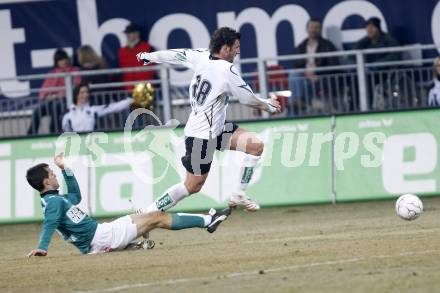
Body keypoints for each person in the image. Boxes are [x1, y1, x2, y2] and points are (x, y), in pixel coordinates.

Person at [136, 27, 281, 214]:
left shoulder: (201, 56)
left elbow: (175, 55)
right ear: (226, 48)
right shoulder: (226, 69)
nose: (238, 51)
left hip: (217, 129)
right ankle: (148, 213)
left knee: (255, 145)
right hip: (201, 137)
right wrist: (269, 106)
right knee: (192, 186)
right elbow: (246, 98)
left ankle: (239, 193)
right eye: (236, 47)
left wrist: (149, 56)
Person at [26, 153, 231, 257]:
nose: (54, 175)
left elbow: (76, 196)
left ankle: (122, 247)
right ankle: (208, 221)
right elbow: (49, 225)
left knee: (152, 213)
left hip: (100, 234)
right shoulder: (53, 204)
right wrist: (42, 248)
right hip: (100, 237)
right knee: (157, 217)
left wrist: (65, 169)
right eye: (52, 173)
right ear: (45, 181)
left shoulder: (55, 200)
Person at [289, 18, 340, 114]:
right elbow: (296, 64)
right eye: (312, 27)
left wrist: (318, 72)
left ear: (320, 30)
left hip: (320, 79)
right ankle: (299, 103)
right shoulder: (301, 46)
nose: (314, 30)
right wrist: (306, 72)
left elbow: (334, 65)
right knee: (294, 74)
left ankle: (298, 104)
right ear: (307, 29)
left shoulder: (328, 45)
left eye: (317, 27)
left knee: (299, 88)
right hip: (304, 77)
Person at [28, 49, 81, 134]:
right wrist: (46, 96)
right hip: (51, 101)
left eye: (64, 59)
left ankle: (53, 132)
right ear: (56, 62)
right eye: (60, 60)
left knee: (55, 107)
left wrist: (59, 95)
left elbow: (76, 87)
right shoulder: (52, 73)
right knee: (38, 110)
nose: (63, 61)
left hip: (66, 101)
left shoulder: (75, 71)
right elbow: (44, 90)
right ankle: (30, 135)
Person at [62, 82, 133, 132]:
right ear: (76, 94)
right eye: (82, 93)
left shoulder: (93, 110)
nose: (85, 95)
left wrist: (132, 100)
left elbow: (112, 108)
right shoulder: (68, 113)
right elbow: (66, 131)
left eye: (87, 92)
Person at [119, 23, 156, 91]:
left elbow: (153, 70)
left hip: (145, 88)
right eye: (127, 33)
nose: (128, 35)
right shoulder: (122, 51)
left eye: (130, 33)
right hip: (129, 88)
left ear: (137, 34)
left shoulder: (148, 48)